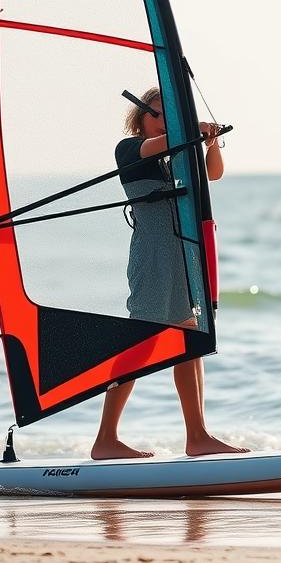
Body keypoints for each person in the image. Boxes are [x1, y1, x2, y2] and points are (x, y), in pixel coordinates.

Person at [91, 86, 249, 460]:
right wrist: (191, 129)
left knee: (190, 342)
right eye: (157, 115)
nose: (163, 122)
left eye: (169, 115)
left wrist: (209, 143)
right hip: (153, 257)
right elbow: (159, 145)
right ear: (140, 118)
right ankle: (105, 440)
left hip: (181, 256)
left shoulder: (177, 153)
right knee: (138, 344)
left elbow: (214, 174)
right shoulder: (129, 149)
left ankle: (197, 435)